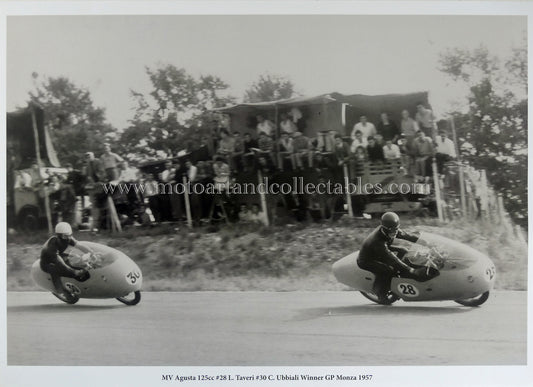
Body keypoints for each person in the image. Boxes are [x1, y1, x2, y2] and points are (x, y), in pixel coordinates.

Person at [357, 212, 431, 301]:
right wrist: (410, 270)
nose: (395, 232)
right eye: (392, 230)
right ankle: (381, 295)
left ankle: (399, 274)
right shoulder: (378, 242)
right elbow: (391, 258)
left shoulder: (391, 229)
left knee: (404, 251)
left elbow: (408, 236)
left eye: (396, 229)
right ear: (385, 228)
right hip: (367, 260)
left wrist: (425, 242)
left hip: (378, 252)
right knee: (388, 270)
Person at [39, 222, 93, 301]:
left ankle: (74, 280)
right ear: (58, 236)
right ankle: (60, 291)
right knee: (55, 269)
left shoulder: (68, 238)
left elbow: (79, 245)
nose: (68, 238)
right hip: (47, 262)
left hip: (59, 256)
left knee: (74, 258)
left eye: (69, 235)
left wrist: (92, 252)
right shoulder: (52, 246)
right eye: (65, 236)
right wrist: (74, 272)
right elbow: (60, 263)